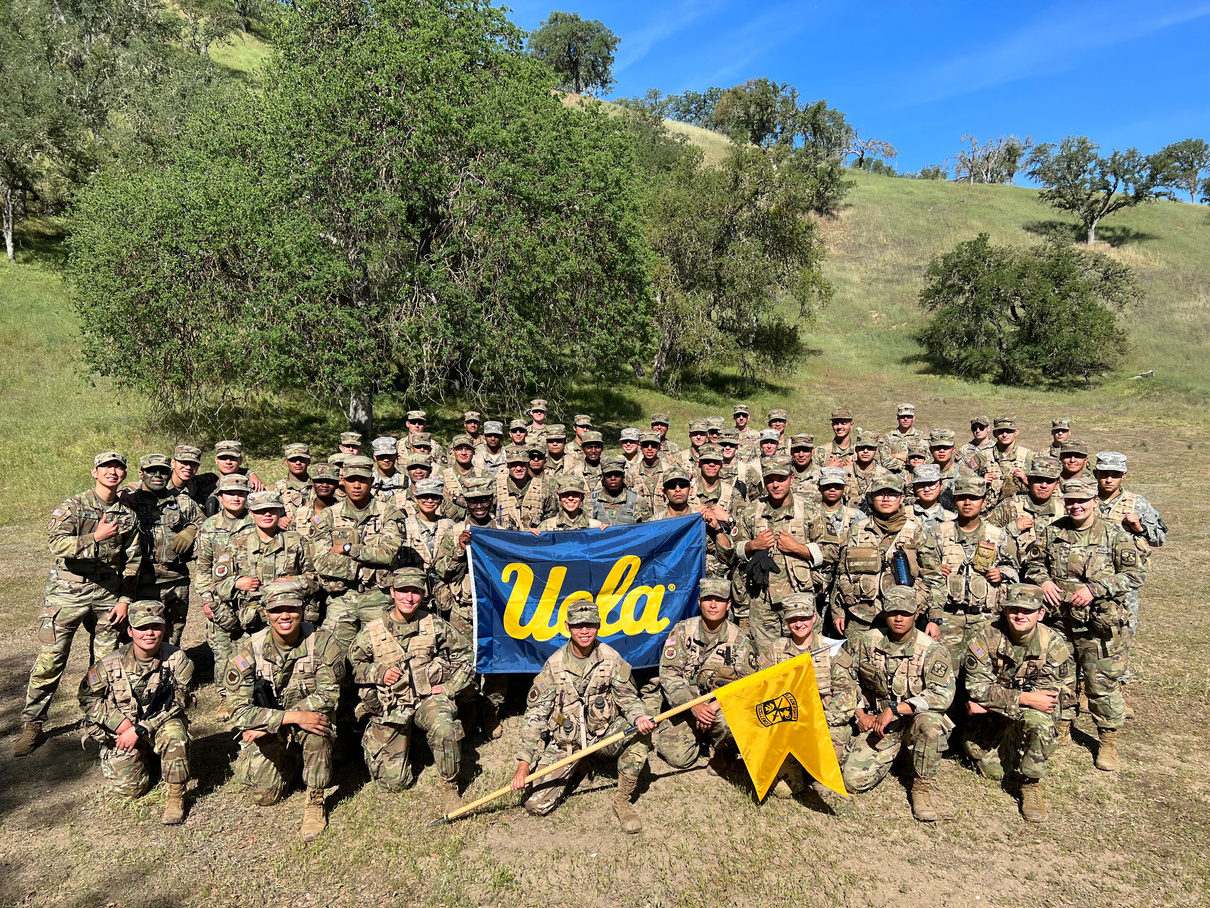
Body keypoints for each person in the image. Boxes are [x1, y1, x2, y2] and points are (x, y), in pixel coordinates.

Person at [15, 452, 142, 756]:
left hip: (107, 596)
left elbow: (133, 562)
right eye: (106, 467)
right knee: (51, 660)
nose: (113, 471)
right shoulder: (73, 506)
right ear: (94, 472)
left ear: (124, 474)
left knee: (105, 663)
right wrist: (95, 537)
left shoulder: (128, 515)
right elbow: (55, 544)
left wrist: (124, 600)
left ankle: (98, 718)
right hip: (66, 595)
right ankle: (32, 724)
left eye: (118, 467)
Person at [1021, 478, 1142, 771]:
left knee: (1101, 684)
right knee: (1061, 678)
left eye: (1082, 501)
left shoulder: (1115, 535)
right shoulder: (1053, 532)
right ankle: (1062, 726)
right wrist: (1044, 580)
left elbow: (1134, 575)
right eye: (1071, 501)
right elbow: (1034, 564)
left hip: (1098, 626)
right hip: (1060, 621)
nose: (1076, 506)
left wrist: (1096, 588)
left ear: (1094, 502)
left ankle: (1107, 740)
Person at [510, 601, 657, 833]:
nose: (585, 631)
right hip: (566, 741)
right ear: (568, 626)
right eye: (578, 625)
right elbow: (536, 715)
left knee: (638, 735)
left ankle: (622, 801)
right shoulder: (554, 665)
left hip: (603, 734)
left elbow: (628, 698)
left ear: (599, 625)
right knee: (535, 804)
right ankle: (578, 764)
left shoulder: (610, 658)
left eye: (590, 624)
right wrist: (523, 764)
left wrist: (638, 717)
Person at [225, 578, 345, 841]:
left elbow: (329, 694)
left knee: (318, 729)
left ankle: (315, 801)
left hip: (304, 723)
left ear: (302, 609)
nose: (284, 616)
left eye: (291, 608)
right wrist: (290, 718)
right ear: (266, 613)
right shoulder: (249, 649)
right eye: (277, 610)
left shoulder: (323, 642)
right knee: (264, 796)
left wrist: (295, 718)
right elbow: (238, 711)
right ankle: (292, 759)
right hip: (275, 727)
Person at [348, 568, 473, 813]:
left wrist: (449, 688)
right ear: (392, 592)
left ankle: (450, 786)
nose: (409, 598)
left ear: (423, 595)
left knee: (444, 726)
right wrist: (378, 673)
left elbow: (467, 657)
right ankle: (401, 742)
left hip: (427, 700)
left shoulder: (433, 624)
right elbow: (353, 668)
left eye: (415, 592)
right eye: (403, 591)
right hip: (391, 705)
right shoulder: (372, 631)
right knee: (393, 783)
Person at [831, 585, 955, 821]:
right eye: (893, 611)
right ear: (884, 612)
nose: (899, 618)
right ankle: (898, 757)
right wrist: (858, 712)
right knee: (853, 782)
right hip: (880, 726)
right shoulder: (868, 641)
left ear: (916, 613)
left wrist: (897, 709)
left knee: (931, 724)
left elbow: (943, 694)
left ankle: (921, 787)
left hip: (912, 723)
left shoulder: (931, 649)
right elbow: (843, 676)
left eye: (906, 612)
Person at [963, 584, 1075, 822]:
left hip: (1024, 712)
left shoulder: (1053, 645)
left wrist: (990, 701)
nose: (1020, 615)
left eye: (1028, 610)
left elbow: (1048, 700)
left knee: (1041, 722)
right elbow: (976, 688)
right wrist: (1024, 698)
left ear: (1041, 614)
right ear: (1005, 611)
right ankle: (1007, 745)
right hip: (997, 715)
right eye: (1014, 609)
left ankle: (1031, 785)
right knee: (990, 767)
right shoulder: (985, 637)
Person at [77, 600, 194, 824]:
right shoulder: (109, 663)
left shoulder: (178, 660)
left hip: (158, 723)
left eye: (156, 627)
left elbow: (178, 703)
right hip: (123, 729)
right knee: (130, 791)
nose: (149, 633)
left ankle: (175, 798)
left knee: (175, 735)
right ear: (130, 631)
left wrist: (141, 729)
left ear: (164, 629)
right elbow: (87, 697)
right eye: (141, 627)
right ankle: (146, 756)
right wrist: (121, 724)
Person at [656, 578, 758, 775]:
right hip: (686, 707)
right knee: (676, 756)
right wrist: (694, 705)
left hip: (721, 708)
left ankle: (722, 750)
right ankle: (699, 736)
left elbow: (747, 683)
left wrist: (712, 706)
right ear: (699, 602)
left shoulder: (739, 639)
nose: (713, 605)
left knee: (727, 725)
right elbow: (669, 675)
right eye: (707, 599)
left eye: (719, 600)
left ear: (728, 605)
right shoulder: (683, 630)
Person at [311, 455, 410, 652]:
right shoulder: (327, 516)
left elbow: (387, 554)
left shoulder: (389, 513)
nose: (357, 485)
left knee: (383, 654)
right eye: (351, 480)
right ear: (342, 481)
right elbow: (321, 561)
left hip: (378, 598)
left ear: (371, 481)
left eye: (362, 480)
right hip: (341, 599)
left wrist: (348, 549)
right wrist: (362, 566)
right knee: (332, 657)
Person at [734, 456, 831, 654]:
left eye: (781, 479)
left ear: (792, 479)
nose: (775, 485)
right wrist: (753, 545)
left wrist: (797, 548)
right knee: (766, 658)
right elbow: (733, 550)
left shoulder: (810, 511)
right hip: (761, 601)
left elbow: (831, 551)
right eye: (770, 480)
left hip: (799, 599)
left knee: (804, 658)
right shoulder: (752, 512)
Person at [831, 474, 943, 642]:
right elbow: (842, 573)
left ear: (902, 498)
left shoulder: (915, 532)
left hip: (902, 620)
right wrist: (837, 610)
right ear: (872, 497)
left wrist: (934, 618)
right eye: (880, 494)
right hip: (861, 616)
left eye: (892, 494)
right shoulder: (857, 530)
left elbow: (933, 577)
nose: (886, 499)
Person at [1094, 451, 1167, 705]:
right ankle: (1084, 687)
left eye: (1115, 475)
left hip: (1124, 581)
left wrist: (1140, 528)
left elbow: (1160, 538)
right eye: (1104, 474)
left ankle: (1117, 688)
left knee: (1123, 631)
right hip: (1089, 579)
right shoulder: (1085, 499)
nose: (1109, 479)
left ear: (1124, 474)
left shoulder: (1137, 503)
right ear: (1096, 473)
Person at [761, 593, 851, 798]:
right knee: (784, 791)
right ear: (786, 621)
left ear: (814, 618)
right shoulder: (776, 649)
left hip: (824, 724)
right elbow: (762, 688)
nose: (799, 623)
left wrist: (819, 721)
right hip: (788, 723)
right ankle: (796, 767)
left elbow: (847, 694)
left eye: (803, 618)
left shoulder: (832, 649)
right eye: (793, 619)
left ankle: (817, 770)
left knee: (826, 784)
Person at [929, 477, 1016, 674]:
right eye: (962, 498)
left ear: (984, 502)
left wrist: (1002, 573)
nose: (967, 503)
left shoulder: (998, 535)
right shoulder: (937, 533)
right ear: (954, 501)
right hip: (947, 617)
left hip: (986, 618)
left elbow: (1015, 570)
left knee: (982, 673)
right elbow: (924, 572)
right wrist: (936, 568)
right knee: (944, 674)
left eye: (974, 498)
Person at [124, 453, 205, 646]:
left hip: (175, 580)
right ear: (141, 473)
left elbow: (208, 526)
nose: (158, 475)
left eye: (163, 471)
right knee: (142, 635)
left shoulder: (181, 502)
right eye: (152, 471)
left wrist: (192, 529)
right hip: (141, 581)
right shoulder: (129, 502)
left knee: (173, 633)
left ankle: (170, 671)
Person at [214, 491, 317, 639]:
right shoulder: (237, 544)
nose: (267, 514)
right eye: (260, 511)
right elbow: (217, 586)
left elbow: (316, 578)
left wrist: (296, 581)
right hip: (251, 623)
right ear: (251, 513)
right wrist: (236, 583)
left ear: (280, 511)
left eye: (272, 510)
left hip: (289, 620)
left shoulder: (296, 541)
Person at [194, 474, 253, 721]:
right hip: (220, 601)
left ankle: (251, 694)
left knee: (250, 650)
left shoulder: (256, 522)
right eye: (230, 493)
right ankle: (225, 695)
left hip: (251, 600)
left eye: (240, 493)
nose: (235, 497)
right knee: (223, 652)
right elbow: (202, 570)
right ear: (220, 497)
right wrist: (208, 601)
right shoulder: (209, 528)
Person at [988, 455, 1064, 556]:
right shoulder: (1008, 506)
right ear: (1030, 480)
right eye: (1039, 480)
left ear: (1057, 485)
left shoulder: (1064, 511)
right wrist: (1011, 529)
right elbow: (986, 539)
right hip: (1016, 569)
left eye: (1049, 481)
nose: (1044, 486)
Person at [495, 444, 552, 529]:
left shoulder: (543, 489)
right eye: (514, 464)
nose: (518, 468)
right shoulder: (496, 489)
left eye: (522, 464)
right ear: (507, 465)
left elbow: (551, 520)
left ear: (528, 463)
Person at [591, 456, 651, 524]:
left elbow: (648, 528)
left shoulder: (637, 500)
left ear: (623, 475)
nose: (613, 478)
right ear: (603, 476)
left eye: (617, 475)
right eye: (608, 475)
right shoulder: (591, 500)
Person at [537, 475, 606, 531]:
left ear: (583, 496)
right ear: (558, 496)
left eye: (575, 494)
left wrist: (609, 532)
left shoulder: (595, 526)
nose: (570, 498)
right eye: (565, 494)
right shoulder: (546, 526)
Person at [274, 443, 314, 524]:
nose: (298, 462)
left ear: (308, 461)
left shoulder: (320, 486)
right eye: (293, 459)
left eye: (302, 459)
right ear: (286, 462)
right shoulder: (276, 489)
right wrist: (278, 520)